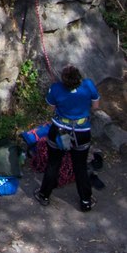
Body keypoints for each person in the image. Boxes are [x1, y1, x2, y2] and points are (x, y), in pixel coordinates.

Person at [38, 65, 100, 211]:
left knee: (53, 163)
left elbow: (50, 109)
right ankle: (85, 201)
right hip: (81, 131)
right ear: (79, 77)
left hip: (59, 131)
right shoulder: (88, 85)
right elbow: (96, 106)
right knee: (80, 166)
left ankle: (44, 196)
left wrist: (58, 93)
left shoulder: (56, 88)